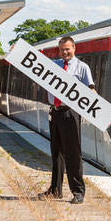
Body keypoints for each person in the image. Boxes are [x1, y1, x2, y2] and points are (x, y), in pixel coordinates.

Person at [39, 36, 95, 204]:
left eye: (67, 49)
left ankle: (78, 192)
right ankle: (55, 190)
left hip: (71, 113)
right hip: (54, 112)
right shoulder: (54, 65)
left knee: (73, 153)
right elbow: (35, 67)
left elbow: (91, 89)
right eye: (62, 49)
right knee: (56, 153)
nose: (65, 52)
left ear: (74, 48)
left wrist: (100, 112)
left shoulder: (82, 67)